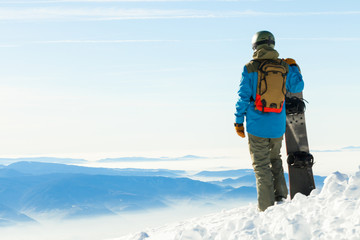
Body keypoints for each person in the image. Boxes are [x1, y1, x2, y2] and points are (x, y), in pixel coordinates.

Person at [234, 30, 304, 211]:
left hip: (257, 126)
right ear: (272, 44)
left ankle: (265, 209)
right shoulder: (284, 67)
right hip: (277, 126)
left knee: (261, 167)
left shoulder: (250, 68)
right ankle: (280, 198)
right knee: (276, 160)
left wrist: (238, 121)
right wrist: (294, 66)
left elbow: (243, 97)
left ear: (255, 46)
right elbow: (298, 86)